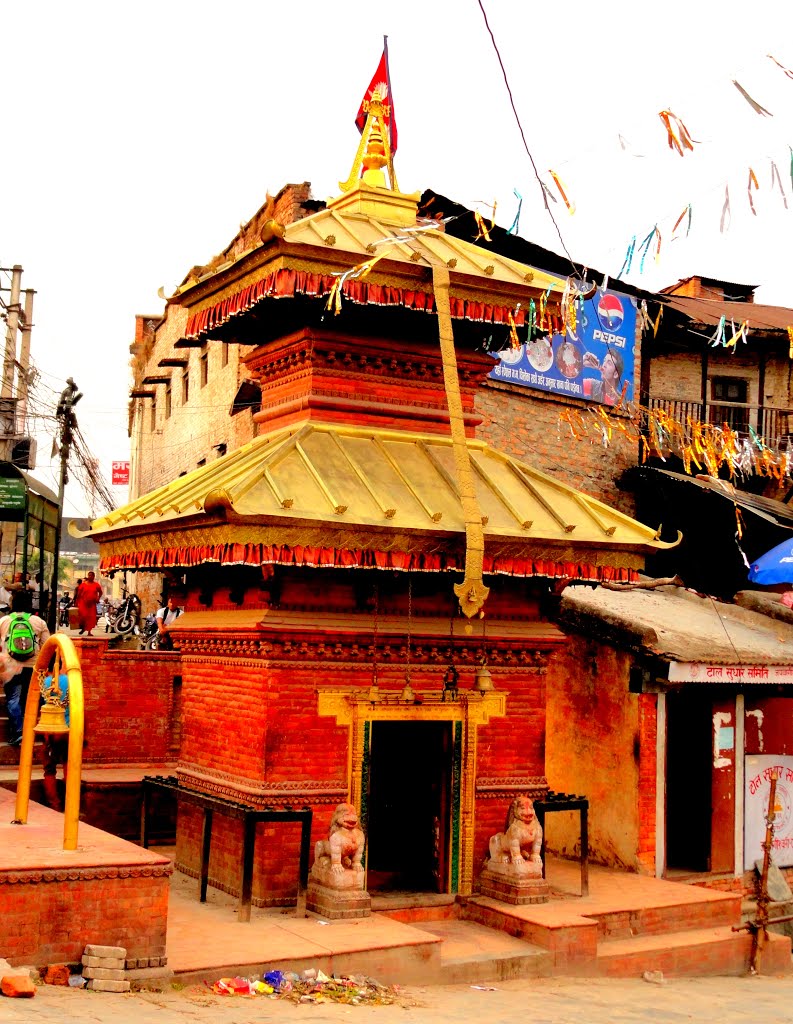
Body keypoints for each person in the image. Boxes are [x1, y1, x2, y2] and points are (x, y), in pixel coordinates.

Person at [0, 590, 50, 747]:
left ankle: (18, 732)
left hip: (10, 667)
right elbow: (47, 645)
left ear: (12, 603)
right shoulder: (38, 621)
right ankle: (37, 731)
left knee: (13, 699)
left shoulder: (4, 621)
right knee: (33, 699)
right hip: (33, 666)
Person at [39, 668, 69, 811]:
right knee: (69, 766)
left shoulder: (43, 682)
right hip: (69, 728)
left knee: (49, 769)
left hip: (50, 729)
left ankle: (54, 804)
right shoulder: (71, 681)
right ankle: (71, 802)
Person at [74, 570, 103, 636]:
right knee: (83, 616)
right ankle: (84, 627)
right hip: (83, 603)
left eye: (91, 575)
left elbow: (100, 592)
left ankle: (89, 632)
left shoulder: (96, 585)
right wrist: (76, 602)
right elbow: (78, 594)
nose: (90, 577)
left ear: (94, 577)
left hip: (92, 604)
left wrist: (98, 597)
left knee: (91, 618)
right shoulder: (83, 585)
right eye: (89, 575)